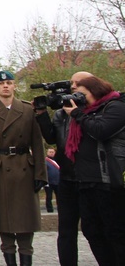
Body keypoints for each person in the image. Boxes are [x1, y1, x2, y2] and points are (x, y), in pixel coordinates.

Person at [0, 71, 47, 266]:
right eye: (1, 84)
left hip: (25, 168)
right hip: (0, 172)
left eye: (9, 82)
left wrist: (41, 174)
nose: (5, 86)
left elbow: (38, 145)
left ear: (14, 86)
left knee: (26, 224)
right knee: (4, 225)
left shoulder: (27, 110)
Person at [62, 74, 125, 264]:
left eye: (80, 90)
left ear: (94, 90)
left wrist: (78, 114)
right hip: (86, 182)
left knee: (115, 233)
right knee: (92, 231)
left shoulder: (116, 106)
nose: (76, 93)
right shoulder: (85, 112)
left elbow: (101, 130)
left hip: (109, 183)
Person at [35, 70, 91, 266]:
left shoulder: (94, 111)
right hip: (67, 178)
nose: (73, 86)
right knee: (66, 231)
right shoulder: (60, 114)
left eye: (78, 83)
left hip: (89, 180)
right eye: (72, 83)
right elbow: (51, 138)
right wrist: (41, 114)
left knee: (93, 229)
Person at [44, 148, 60, 212]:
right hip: (49, 182)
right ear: (47, 153)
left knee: (59, 197)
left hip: (57, 182)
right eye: (50, 152)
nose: (51, 153)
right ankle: (49, 209)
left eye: (52, 152)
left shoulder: (57, 161)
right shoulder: (45, 161)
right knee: (49, 197)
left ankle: (60, 208)